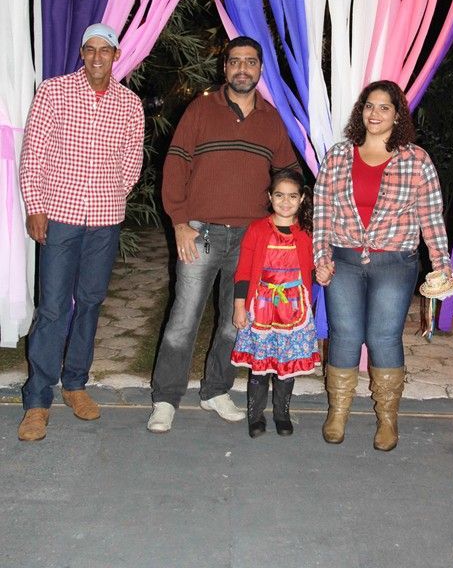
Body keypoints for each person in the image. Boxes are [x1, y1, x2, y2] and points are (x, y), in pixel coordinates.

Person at [147, 36, 300, 434]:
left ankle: (216, 390)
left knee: (236, 320)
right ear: (225, 67)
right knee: (184, 318)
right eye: (235, 61)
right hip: (201, 232)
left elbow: (288, 173)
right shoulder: (200, 109)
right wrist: (179, 222)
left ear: (260, 69)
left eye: (250, 62)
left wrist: (284, 217)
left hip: (251, 238)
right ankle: (166, 398)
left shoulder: (271, 119)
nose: (242, 68)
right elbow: (175, 164)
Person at [17, 23, 145, 442]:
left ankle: (75, 383)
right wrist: (36, 206)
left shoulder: (129, 103)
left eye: (104, 50)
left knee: (90, 302)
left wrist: (112, 193)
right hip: (60, 215)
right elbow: (34, 152)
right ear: (81, 53)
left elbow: (132, 160)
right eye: (89, 49)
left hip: (104, 219)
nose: (96, 57)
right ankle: (37, 400)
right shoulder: (54, 92)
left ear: (116, 55)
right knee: (53, 308)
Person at [313, 79, 453, 451]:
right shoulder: (338, 156)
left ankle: (388, 419)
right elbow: (322, 212)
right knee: (344, 335)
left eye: (384, 107)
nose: (374, 113)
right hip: (344, 260)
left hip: (395, 263)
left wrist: (441, 263)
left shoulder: (416, 160)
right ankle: (338, 412)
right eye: (369, 105)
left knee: (383, 337)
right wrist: (321, 258)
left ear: (397, 115)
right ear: (360, 111)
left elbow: (431, 217)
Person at [231, 168, 321, 438]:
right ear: (270, 197)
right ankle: (255, 416)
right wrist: (239, 306)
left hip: (294, 309)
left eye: (292, 196)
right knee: (260, 366)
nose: (285, 201)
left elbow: (314, 266)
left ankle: (282, 414)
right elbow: (244, 271)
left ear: (302, 198)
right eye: (279, 195)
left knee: (286, 365)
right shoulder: (257, 229)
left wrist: (324, 271)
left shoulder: (307, 231)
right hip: (261, 308)